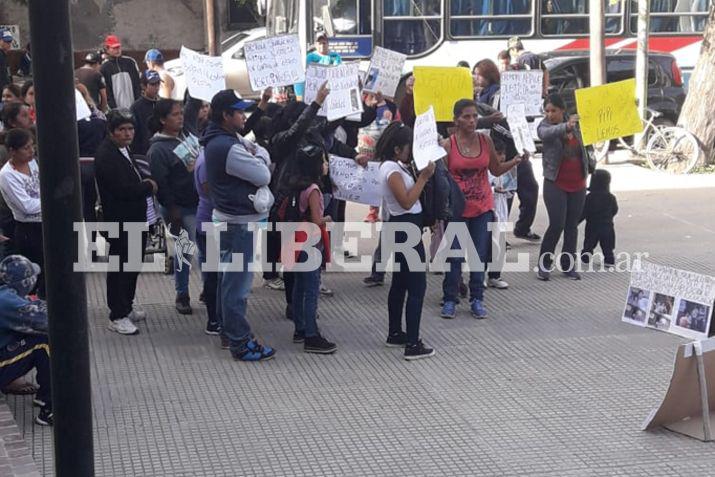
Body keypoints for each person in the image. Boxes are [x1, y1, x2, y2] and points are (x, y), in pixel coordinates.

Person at [201, 89, 275, 362]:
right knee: (237, 287)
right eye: (239, 111)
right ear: (225, 115)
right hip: (238, 223)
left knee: (227, 281)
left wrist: (257, 153)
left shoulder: (222, 139)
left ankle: (228, 332)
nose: (244, 116)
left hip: (227, 219)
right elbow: (263, 172)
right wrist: (260, 157)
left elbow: (258, 155)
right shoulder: (229, 146)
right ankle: (241, 343)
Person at [440, 100, 521, 320]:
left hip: (483, 207)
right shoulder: (449, 145)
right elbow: (441, 177)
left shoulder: (485, 141)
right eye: (466, 116)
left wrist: (515, 161)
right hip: (457, 209)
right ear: (456, 119)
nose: (472, 121)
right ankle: (449, 299)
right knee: (455, 256)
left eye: (475, 116)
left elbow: (495, 168)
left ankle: (477, 298)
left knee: (478, 255)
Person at [94, 109, 158, 335]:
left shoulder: (122, 150)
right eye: (122, 129)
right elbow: (122, 190)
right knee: (121, 268)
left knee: (132, 265)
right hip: (121, 220)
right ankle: (117, 314)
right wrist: (148, 186)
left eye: (130, 129)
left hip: (135, 218)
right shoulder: (106, 155)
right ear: (111, 131)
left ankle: (126, 306)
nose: (127, 133)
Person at [377, 121, 435, 360]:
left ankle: (395, 332)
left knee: (400, 282)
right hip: (405, 228)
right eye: (408, 147)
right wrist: (423, 177)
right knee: (417, 286)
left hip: (403, 228)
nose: (411, 151)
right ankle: (413, 343)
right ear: (397, 149)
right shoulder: (392, 171)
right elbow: (406, 201)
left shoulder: (393, 166)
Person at [147, 99, 199, 314]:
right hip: (180, 207)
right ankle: (182, 292)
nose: (180, 117)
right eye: (175, 114)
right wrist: (173, 209)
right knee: (184, 250)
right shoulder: (158, 150)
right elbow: (162, 184)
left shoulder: (185, 136)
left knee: (204, 248)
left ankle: (208, 289)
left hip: (198, 203)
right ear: (162, 120)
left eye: (181, 113)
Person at [285, 144, 337, 353]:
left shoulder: (295, 184)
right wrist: (328, 218)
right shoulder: (313, 190)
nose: (326, 165)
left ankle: (299, 328)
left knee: (299, 286)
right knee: (311, 289)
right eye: (323, 161)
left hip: (295, 240)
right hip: (310, 241)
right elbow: (316, 219)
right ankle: (311, 335)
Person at [537, 94, 590, 281]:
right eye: (547, 111)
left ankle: (568, 265)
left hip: (578, 183)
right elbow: (545, 134)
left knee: (572, 225)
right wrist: (566, 127)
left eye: (554, 111)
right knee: (557, 224)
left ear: (563, 111)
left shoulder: (577, 125)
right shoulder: (545, 126)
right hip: (555, 183)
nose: (550, 114)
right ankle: (544, 264)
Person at [0, 255, 53, 426]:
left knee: (35, 336)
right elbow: (46, 321)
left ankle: (45, 395)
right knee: (44, 343)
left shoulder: (6, 293)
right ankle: (50, 410)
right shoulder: (6, 301)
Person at [0, 129, 45, 298]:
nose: (31, 151)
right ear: (12, 151)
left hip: (45, 224)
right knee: (33, 274)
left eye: (32, 146)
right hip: (28, 229)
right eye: (26, 148)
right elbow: (26, 206)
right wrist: (50, 203)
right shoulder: (7, 175)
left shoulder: (33, 163)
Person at [193, 148, 221, 336]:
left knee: (216, 274)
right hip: (211, 224)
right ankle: (214, 320)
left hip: (213, 222)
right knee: (214, 275)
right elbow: (210, 191)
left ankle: (217, 317)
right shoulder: (206, 161)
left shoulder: (208, 156)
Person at [580, 169, 618, 268]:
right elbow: (615, 210)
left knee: (589, 243)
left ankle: (585, 257)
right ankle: (609, 260)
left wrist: (575, 221)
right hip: (607, 226)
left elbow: (584, 212)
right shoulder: (611, 197)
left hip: (592, 226)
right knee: (607, 246)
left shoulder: (589, 197)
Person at [294, 32, 342, 100]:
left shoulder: (335, 56)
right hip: (315, 88)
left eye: (324, 43)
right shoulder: (310, 56)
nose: (322, 45)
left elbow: (337, 69)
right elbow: (310, 72)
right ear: (315, 45)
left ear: (328, 44)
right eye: (319, 43)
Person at [100, 35, 141, 109]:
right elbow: (107, 91)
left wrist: (138, 103)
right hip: (116, 110)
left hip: (134, 106)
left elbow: (137, 84)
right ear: (107, 49)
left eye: (118, 47)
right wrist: (113, 108)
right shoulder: (104, 67)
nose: (117, 50)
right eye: (114, 48)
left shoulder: (130, 62)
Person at [130, 70, 161, 156]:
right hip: (143, 152)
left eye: (158, 84)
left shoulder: (162, 103)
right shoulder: (136, 107)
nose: (157, 87)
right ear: (143, 86)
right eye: (153, 84)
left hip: (160, 149)